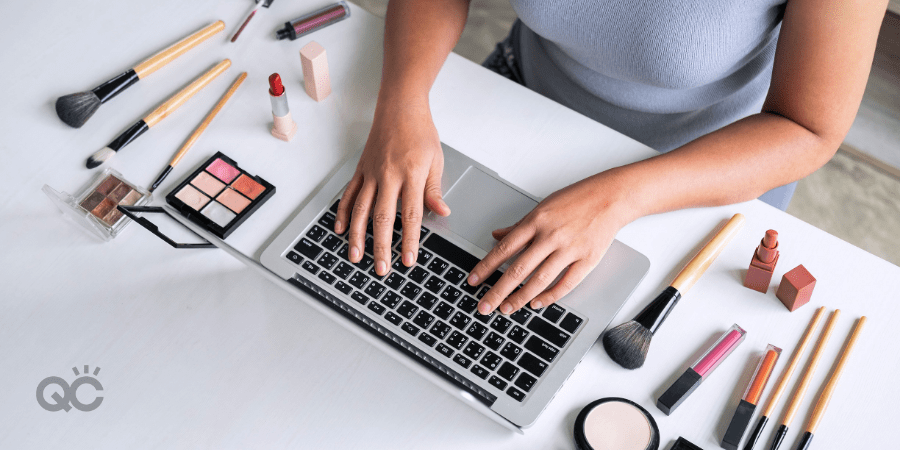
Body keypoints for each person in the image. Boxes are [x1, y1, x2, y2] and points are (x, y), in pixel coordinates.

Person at [334, 0, 888, 317]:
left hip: (700, 174)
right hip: (518, 98)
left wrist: (618, 198)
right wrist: (402, 104)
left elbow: (808, 127)